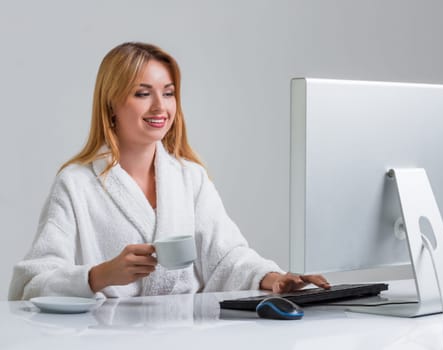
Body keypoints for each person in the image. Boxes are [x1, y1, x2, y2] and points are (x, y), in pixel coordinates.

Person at [8, 42, 329, 300]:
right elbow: (33, 283)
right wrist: (100, 275)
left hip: (186, 333)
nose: (160, 107)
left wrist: (273, 279)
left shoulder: (191, 178)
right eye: (143, 93)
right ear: (111, 105)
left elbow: (226, 257)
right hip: (105, 337)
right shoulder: (76, 184)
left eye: (169, 92)